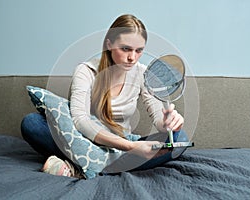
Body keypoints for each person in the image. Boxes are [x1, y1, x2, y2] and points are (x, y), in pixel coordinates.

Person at [21, 14, 188, 179]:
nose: (132, 57)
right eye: (125, 49)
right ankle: (105, 165)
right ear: (109, 44)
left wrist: (169, 124)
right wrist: (131, 147)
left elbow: (158, 118)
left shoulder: (142, 73)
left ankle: (81, 166)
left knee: (181, 138)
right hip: (85, 142)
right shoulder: (86, 71)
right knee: (32, 123)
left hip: (121, 145)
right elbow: (80, 121)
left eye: (139, 51)